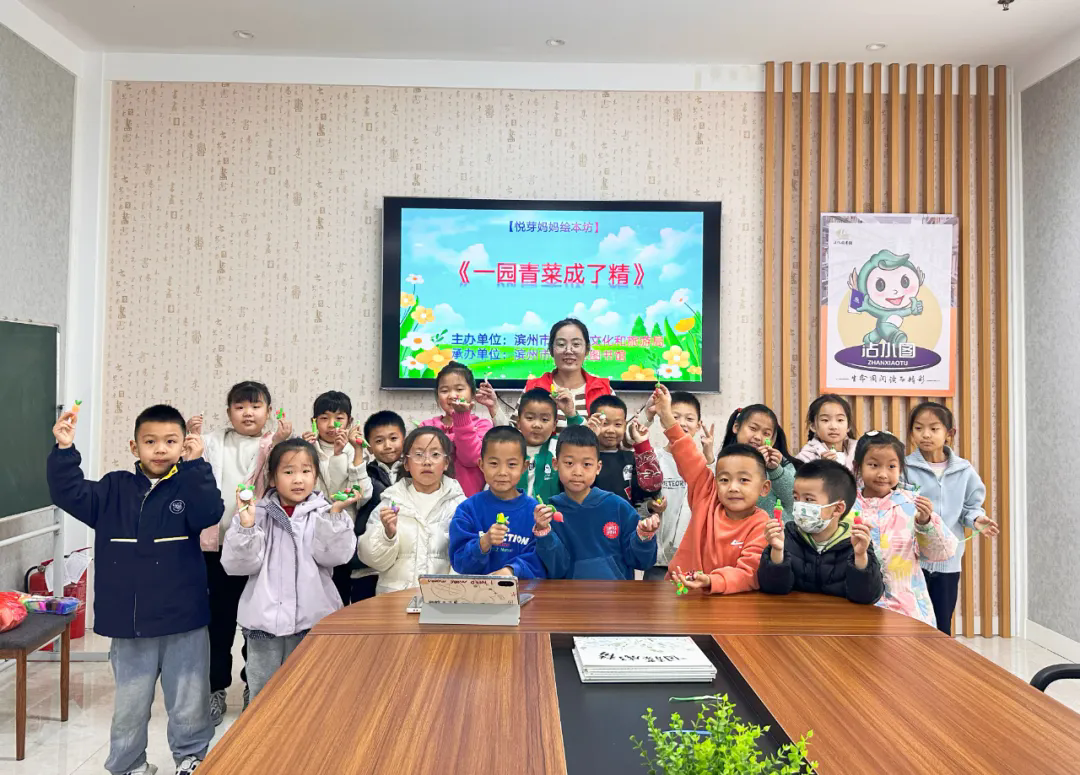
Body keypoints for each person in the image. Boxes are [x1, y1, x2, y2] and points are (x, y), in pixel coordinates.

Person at [47, 404, 224, 775]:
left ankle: (191, 758)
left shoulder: (189, 485)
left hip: (184, 618)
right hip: (130, 622)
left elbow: (210, 513)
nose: (160, 449)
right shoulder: (113, 488)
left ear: (183, 446)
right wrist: (64, 450)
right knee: (130, 705)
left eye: (170, 441)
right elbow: (69, 493)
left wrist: (196, 466)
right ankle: (129, 765)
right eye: (150, 441)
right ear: (134, 447)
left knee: (189, 700)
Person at [221, 438, 358, 701]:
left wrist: (334, 517)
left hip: (312, 620)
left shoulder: (325, 513)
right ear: (273, 478)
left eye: (306, 471)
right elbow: (237, 565)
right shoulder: (257, 514)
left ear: (315, 476)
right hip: (264, 623)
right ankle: (262, 726)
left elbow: (336, 557)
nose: (298, 479)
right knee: (264, 693)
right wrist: (247, 527)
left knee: (311, 692)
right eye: (288, 471)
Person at [188, 380, 290, 724]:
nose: (248, 413)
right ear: (229, 411)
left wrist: (281, 443)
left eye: (256, 406)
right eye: (240, 406)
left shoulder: (273, 444)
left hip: (257, 550)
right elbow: (192, 476)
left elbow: (281, 481)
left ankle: (253, 686)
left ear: (269, 411)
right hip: (215, 549)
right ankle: (215, 689)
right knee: (217, 622)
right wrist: (192, 443)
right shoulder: (213, 441)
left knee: (256, 624)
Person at [653, 385, 770, 595]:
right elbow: (688, 454)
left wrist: (711, 580)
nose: (733, 487)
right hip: (680, 592)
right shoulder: (706, 496)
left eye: (744, 480)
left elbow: (750, 572)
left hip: (729, 601)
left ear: (764, 488)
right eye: (724, 479)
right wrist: (668, 418)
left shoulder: (762, 524)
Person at [906, 402, 1000, 635]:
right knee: (910, 624)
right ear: (911, 432)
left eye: (934, 429)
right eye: (918, 428)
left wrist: (977, 520)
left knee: (941, 625)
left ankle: (939, 660)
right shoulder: (904, 467)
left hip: (948, 562)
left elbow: (970, 507)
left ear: (949, 433)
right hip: (911, 560)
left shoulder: (964, 471)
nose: (925, 434)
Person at [854, 430, 957, 627]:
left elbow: (941, 553)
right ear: (858, 466)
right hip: (859, 607)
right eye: (873, 465)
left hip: (907, 609)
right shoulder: (846, 506)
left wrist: (925, 522)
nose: (882, 474)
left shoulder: (912, 505)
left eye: (891, 466)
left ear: (900, 468)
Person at [532, 425, 660, 579]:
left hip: (616, 593)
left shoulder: (618, 507)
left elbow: (642, 562)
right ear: (555, 464)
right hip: (568, 594)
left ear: (598, 467)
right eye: (569, 463)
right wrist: (544, 532)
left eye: (586, 464)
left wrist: (644, 536)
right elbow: (556, 569)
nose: (577, 472)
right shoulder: (548, 514)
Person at [757, 460, 884, 604]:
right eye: (796, 498)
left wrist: (860, 556)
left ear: (837, 508)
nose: (799, 506)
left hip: (840, 616)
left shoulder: (855, 543)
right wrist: (777, 551)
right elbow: (772, 588)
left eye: (808, 499)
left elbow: (866, 597)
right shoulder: (787, 536)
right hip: (795, 615)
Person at [357, 426, 466, 593]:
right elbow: (372, 561)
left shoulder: (460, 507)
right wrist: (387, 535)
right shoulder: (391, 502)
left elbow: (466, 563)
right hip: (395, 600)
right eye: (419, 454)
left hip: (441, 600)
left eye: (435, 454)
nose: (427, 462)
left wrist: (447, 596)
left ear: (446, 463)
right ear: (406, 463)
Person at [300, 390, 373, 605]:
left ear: (349, 421)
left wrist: (346, 454)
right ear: (314, 422)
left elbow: (361, 495)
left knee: (339, 598)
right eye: (324, 418)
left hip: (343, 533)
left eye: (339, 418)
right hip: (309, 533)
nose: (332, 425)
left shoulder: (357, 450)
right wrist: (303, 451)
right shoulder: (305, 449)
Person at [449, 427, 545, 578]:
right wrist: (483, 543)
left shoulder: (535, 513)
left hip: (523, 591)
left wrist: (513, 570)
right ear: (481, 465)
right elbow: (459, 562)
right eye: (494, 463)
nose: (502, 472)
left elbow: (541, 561)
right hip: (478, 591)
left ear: (524, 467)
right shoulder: (468, 510)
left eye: (511, 464)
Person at [488, 318, 614, 430]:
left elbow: (616, 437)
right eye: (561, 344)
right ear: (551, 350)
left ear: (587, 349)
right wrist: (494, 408)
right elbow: (514, 436)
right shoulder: (535, 387)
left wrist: (572, 415)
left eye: (576, 344)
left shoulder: (604, 389)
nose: (568, 350)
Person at [642, 391, 716, 581]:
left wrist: (709, 458)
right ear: (664, 421)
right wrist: (650, 506)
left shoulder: (705, 464)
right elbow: (637, 503)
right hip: (658, 561)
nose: (682, 423)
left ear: (698, 425)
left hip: (695, 563)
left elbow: (713, 501)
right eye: (675, 417)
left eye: (689, 419)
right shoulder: (653, 458)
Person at [347, 410, 407, 602]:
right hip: (368, 567)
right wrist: (358, 452)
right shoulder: (365, 472)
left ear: (405, 440)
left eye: (393, 438)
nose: (388, 445)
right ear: (370, 447)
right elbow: (360, 494)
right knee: (365, 614)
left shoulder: (413, 472)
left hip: (402, 562)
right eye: (379, 441)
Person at [419, 361, 492, 497]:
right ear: (437, 396)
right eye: (444, 391)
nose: (452, 395)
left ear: (473, 394)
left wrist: (462, 418)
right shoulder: (426, 426)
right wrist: (454, 439)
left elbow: (470, 459)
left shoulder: (483, 425)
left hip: (469, 503)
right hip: (433, 501)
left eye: (459, 389)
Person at [721, 404, 797, 523]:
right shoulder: (724, 462)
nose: (758, 437)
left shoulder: (781, 464)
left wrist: (775, 470)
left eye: (766, 434)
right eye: (753, 428)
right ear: (736, 427)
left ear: (772, 440)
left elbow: (794, 498)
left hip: (780, 532)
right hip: (741, 531)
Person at [585, 395, 662, 509]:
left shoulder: (631, 458)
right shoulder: (583, 458)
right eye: (604, 423)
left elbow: (650, 489)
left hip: (625, 518)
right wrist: (587, 438)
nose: (611, 430)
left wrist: (643, 446)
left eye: (618, 424)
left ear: (625, 426)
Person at [513, 388, 583, 500]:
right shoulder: (510, 448)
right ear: (519, 422)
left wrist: (571, 415)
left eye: (545, 419)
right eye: (530, 418)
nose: (537, 425)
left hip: (551, 510)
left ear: (554, 425)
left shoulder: (557, 446)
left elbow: (583, 442)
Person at [794, 394, 858, 473]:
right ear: (813, 426)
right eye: (825, 420)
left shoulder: (859, 452)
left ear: (848, 426)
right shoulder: (805, 457)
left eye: (840, 420)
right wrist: (822, 466)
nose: (833, 427)